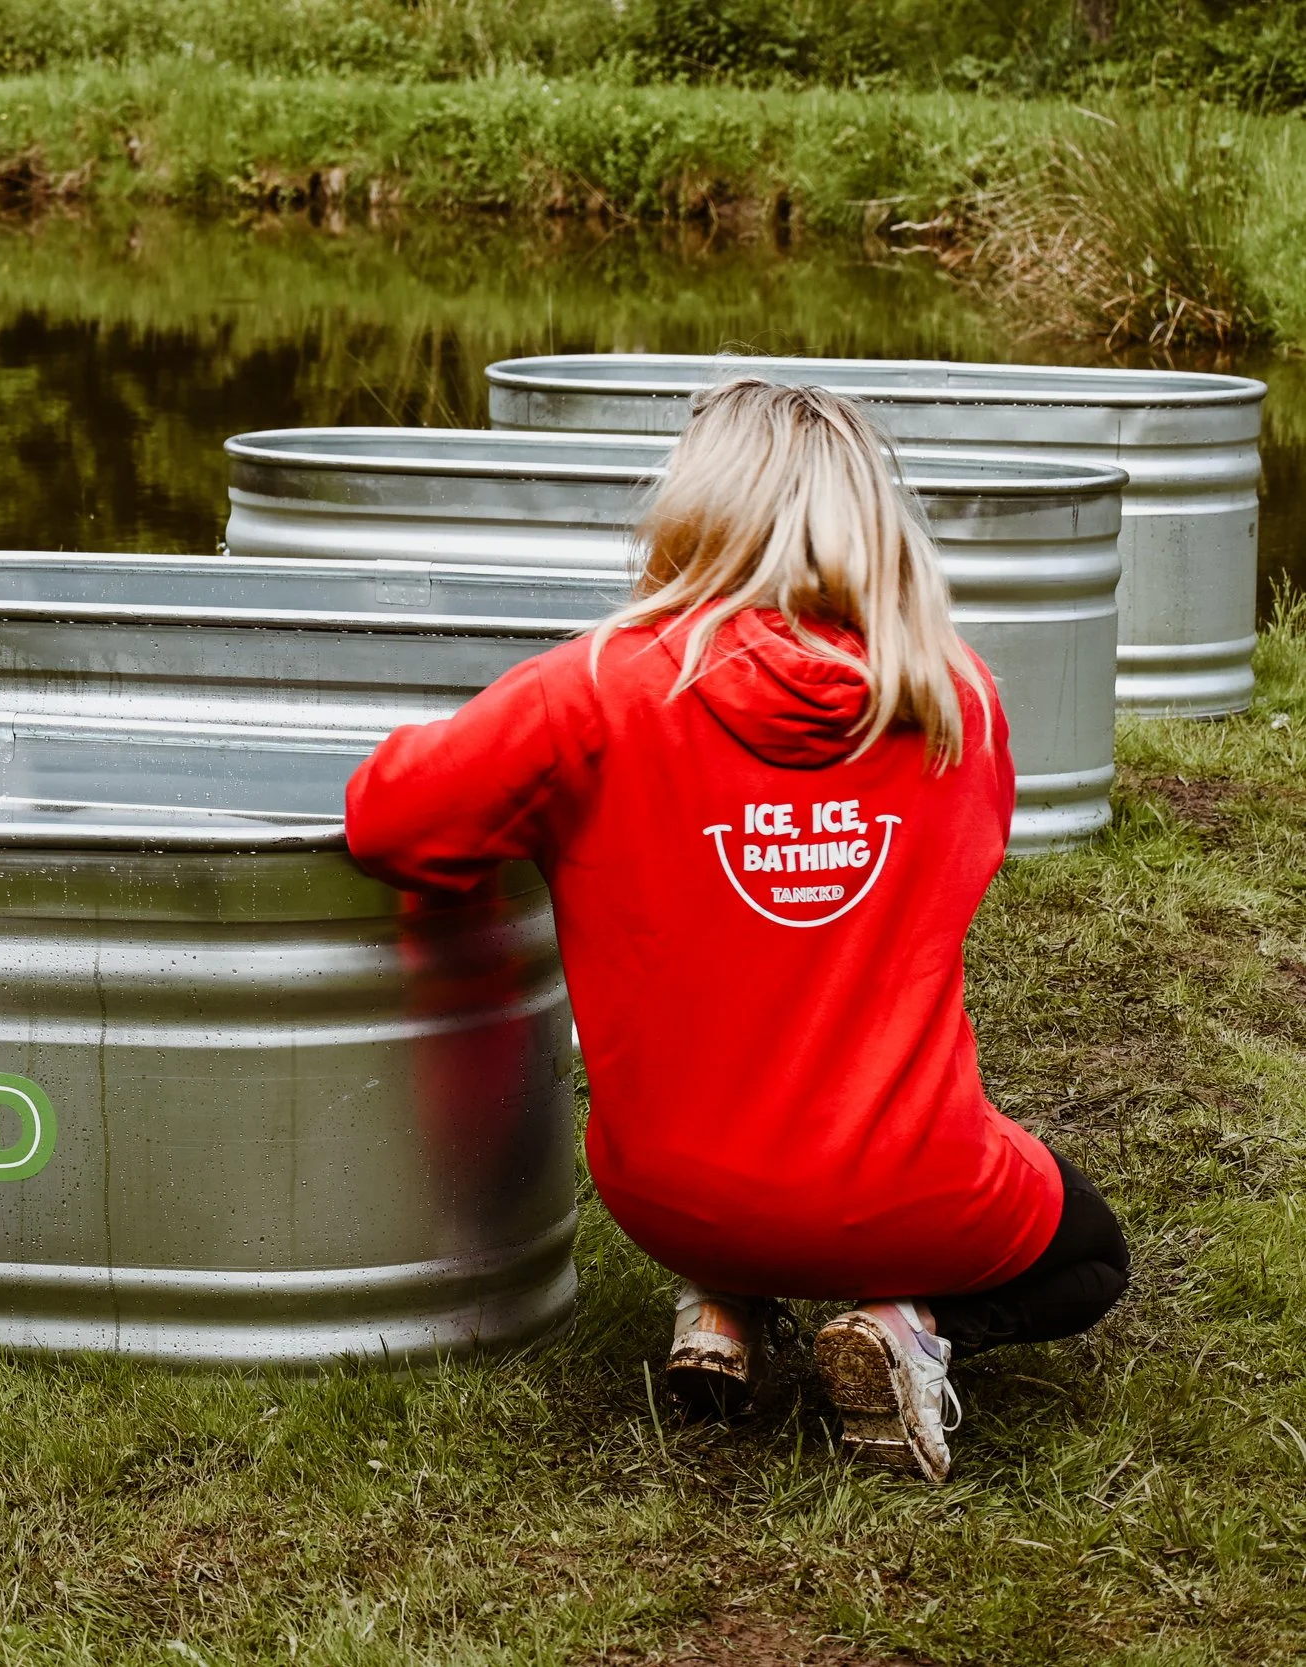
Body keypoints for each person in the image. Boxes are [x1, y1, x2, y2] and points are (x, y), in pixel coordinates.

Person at [344, 378, 1129, 1482]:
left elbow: (387, 817)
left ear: (688, 513)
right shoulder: (957, 699)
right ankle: (904, 1325)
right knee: (1091, 1252)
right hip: (912, 1192)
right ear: (871, 523)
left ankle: (719, 1304)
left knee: (743, 1106)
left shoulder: (594, 692)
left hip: (671, 1197)